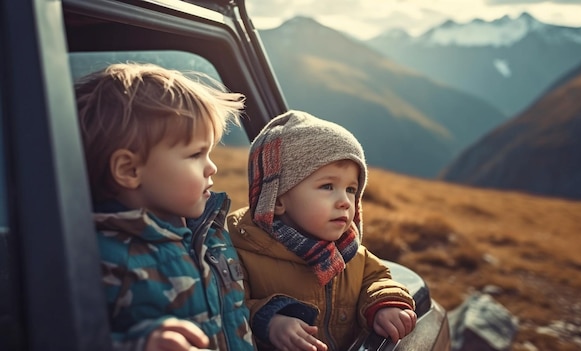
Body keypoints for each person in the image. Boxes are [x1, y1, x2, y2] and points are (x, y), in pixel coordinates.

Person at [74, 62, 255, 351]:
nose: (212, 167)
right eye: (196, 154)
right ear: (130, 170)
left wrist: (273, 320)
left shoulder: (213, 236)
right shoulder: (103, 260)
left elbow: (237, 313)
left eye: (209, 152)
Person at [227, 110, 418, 351]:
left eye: (351, 189)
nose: (345, 202)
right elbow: (230, 307)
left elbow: (376, 278)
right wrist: (270, 322)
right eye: (328, 186)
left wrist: (383, 304)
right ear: (276, 200)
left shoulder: (350, 252)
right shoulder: (241, 252)